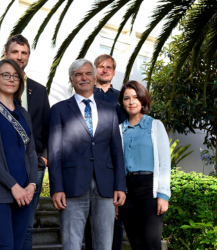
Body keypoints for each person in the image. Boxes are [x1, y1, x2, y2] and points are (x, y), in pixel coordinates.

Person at [0, 34, 50, 250]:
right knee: (3, 245)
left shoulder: (24, 113)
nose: (11, 79)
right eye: (5, 75)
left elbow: (31, 150)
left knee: (19, 243)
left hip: (26, 186)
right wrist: (14, 186)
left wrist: (31, 183)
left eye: (15, 76)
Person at [48, 58, 126, 250]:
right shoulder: (59, 110)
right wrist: (56, 188)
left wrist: (120, 186)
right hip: (72, 184)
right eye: (78, 75)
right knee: (72, 244)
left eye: (88, 73)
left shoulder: (110, 110)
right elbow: (55, 152)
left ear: (94, 77)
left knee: (104, 244)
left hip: (105, 186)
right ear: (71, 80)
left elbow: (117, 150)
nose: (84, 78)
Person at [118, 80, 171, 249]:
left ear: (143, 100)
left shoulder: (155, 125)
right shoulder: (119, 130)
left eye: (135, 97)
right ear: (122, 103)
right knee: (136, 243)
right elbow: (115, 165)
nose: (131, 102)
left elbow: (164, 162)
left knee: (151, 243)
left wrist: (163, 194)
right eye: (127, 98)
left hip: (150, 188)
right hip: (126, 191)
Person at [85, 54, 126, 250]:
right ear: (95, 70)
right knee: (89, 218)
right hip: (89, 160)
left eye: (108, 67)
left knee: (115, 217)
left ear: (113, 72)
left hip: (112, 160)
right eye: (100, 67)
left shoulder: (121, 97)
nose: (104, 70)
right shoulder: (86, 93)